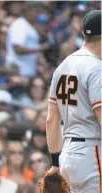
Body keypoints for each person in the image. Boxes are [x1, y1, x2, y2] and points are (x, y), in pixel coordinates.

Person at [45, 10, 101, 193]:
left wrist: (55, 162)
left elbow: (52, 120)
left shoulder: (63, 65)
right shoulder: (96, 68)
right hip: (92, 153)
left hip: (68, 155)